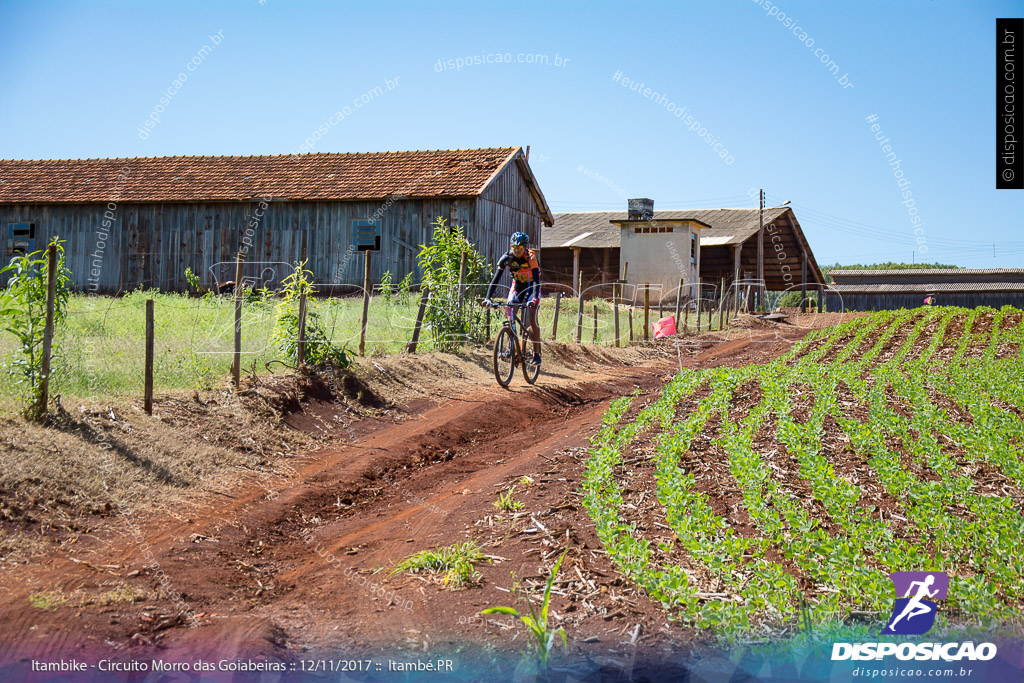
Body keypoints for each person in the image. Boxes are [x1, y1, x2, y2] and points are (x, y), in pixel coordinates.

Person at [483, 232, 542, 366]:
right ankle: (510, 348)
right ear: (511, 246)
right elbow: (495, 280)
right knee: (510, 314)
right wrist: (487, 298)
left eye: (520, 248)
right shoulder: (506, 258)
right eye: (514, 247)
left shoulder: (531, 257)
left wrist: (533, 300)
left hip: (532, 286)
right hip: (517, 286)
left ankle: (537, 354)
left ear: (525, 247)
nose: (517, 251)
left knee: (532, 317)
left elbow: (537, 281)